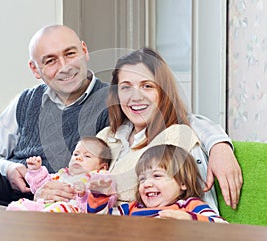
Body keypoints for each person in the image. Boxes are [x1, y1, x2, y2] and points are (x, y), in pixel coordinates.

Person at [0, 24, 241, 208]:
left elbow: (175, 118)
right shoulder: (25, 102)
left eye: (70, 54)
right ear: (36, 69)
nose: (64, 67)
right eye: (50, 61)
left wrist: (219, 143)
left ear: (84, 52)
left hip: (64, 200)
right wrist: (11, 169)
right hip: (19, 193)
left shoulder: (112, 103)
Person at [96, 47, 242, 213]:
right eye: (126, 87)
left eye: (147, 86)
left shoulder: (178, 138)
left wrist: (219, 145)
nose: (136, 97)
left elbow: (202, 211)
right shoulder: (106, 137)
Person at [87, 144, 228, 223]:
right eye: (142, 179)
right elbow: (101, 221)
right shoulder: (131, 208)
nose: (147, 184)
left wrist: (190, 219)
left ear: (183, 183)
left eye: (157, 175)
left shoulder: (189, 206)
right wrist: (99, 195)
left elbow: (223, 228)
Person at [7, 136, 116, 213]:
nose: (78, 158)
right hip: (44, 205)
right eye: (76, 154)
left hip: (71, 210)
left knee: (59, 208)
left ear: (103, 166)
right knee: (22, 204)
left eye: (87, 156)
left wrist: (87, 193)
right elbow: (40, 187)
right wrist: (36, 171)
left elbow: (105, 199)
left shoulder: (99, 177)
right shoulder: (64, 174)